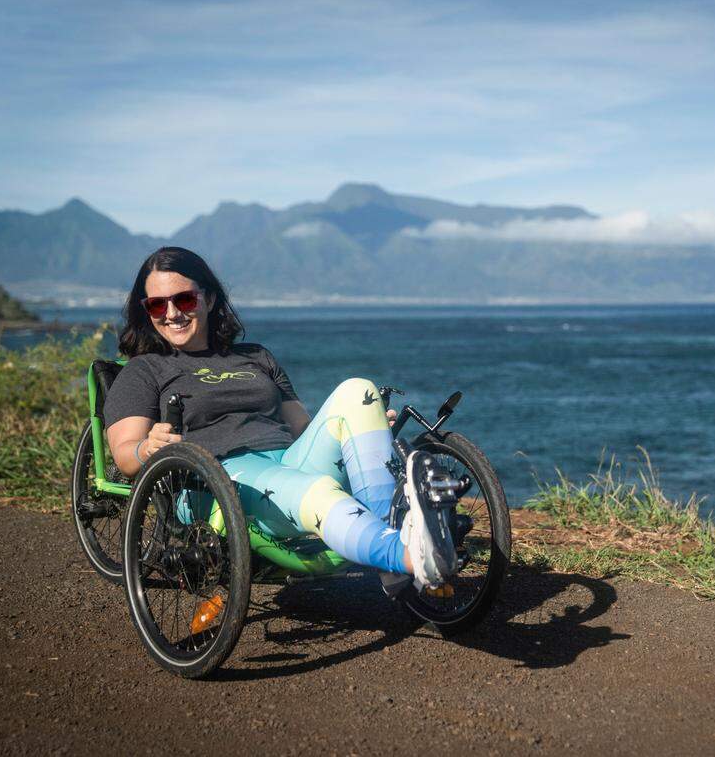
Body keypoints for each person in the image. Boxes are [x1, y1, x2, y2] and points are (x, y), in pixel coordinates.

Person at [103, 246, 456, 591]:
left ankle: (391, 528)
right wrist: (148, 448)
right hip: (216, 481)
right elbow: (124, 454)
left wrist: (365, 424)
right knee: (318, 493)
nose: (172, 313)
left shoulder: (256, 356)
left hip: (286, 461)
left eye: (184, 300)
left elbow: (303, 428)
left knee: (358, 390)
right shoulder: (145, 370)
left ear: (208, 299)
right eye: (157, 305)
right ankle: (408, 557)